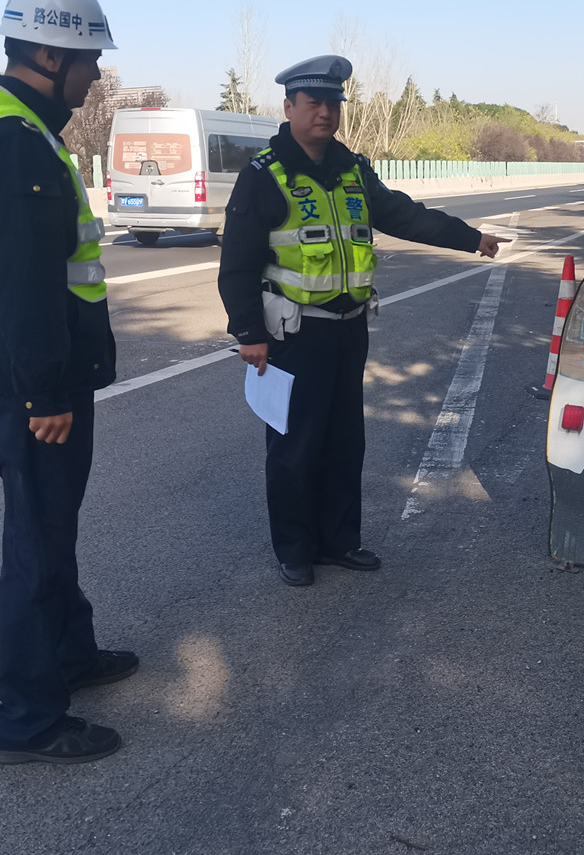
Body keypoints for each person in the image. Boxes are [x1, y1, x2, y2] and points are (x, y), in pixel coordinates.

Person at [218, 55, 508, 586]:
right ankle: (295, 549)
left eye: (333, 104)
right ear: (289, 108)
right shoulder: (264, 176)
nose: (325, 113)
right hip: (294, 334)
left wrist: (470, 238)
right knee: (294, 445)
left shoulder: (352, 170)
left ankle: (339, 542)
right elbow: (236, 262)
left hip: (348, 329)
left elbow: (403, 214)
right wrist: (248, 333)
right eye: (314, 103)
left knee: (344, 441)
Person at [0, 0, 135, 764]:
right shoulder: (13, 140)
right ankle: (27, 717)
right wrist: (46, 390)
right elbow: (25, 279)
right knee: (35, 532)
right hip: (25, 377)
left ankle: (68, 652)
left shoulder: (19, 126)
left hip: (19, 366)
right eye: (89, 60)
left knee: (52, 522)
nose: (96, 76)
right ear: (51, 56)